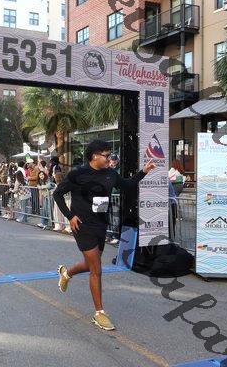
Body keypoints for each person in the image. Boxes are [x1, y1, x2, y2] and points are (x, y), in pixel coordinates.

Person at [53, 140, 155, 331]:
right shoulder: (77, 174)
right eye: (106, 155)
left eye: (110, 155)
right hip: (82, 226)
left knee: (91, 264)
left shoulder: (111, 174)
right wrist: (70, 216)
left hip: (101, 225)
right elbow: (57, 194)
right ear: (94, 156)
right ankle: (99, 313)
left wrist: (144, 171)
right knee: (96, 269)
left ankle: (66, 273)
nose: (110, 158)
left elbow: (127, 185)